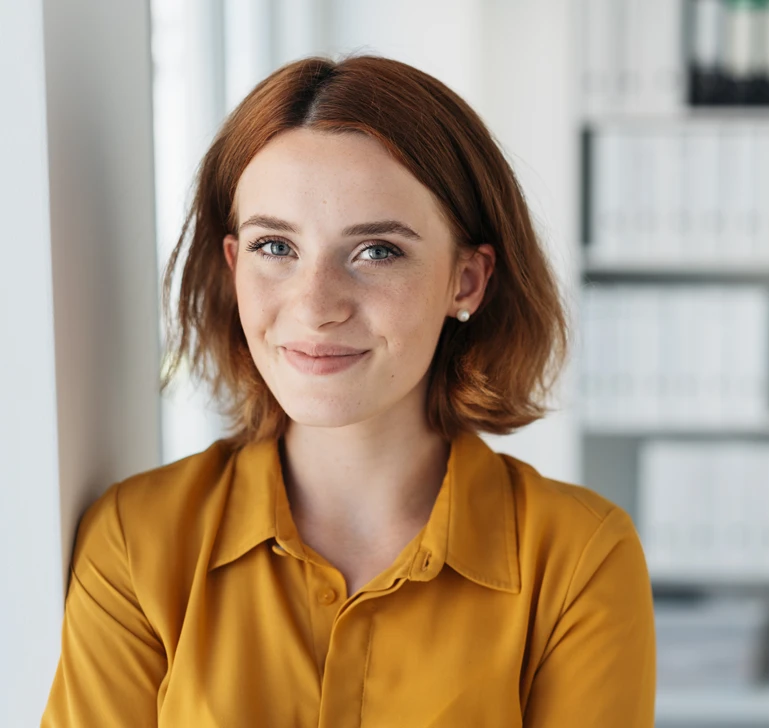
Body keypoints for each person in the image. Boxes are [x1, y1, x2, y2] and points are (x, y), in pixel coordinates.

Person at [41, 54, 655, 727]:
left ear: (466, 282)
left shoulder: (579, 560)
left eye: (376, 251)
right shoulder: (138, 540)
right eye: (275, 246)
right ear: (233, 265)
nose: (316, 306)